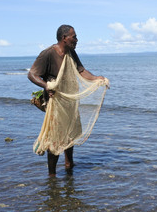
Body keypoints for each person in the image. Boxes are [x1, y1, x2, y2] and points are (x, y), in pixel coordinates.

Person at [28, 24, 106, 176]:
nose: (76, 40)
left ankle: (69, 166)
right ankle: (52, 176)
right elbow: (32, 74)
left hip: (69, 101)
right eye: (74, 36)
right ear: (64, 38)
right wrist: (46, 86)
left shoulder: (71, 53)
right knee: (55, 138)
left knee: (70, 135)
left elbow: (81, 71)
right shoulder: (48, 54)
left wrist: (97, 79)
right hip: (55, 102)